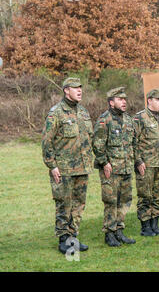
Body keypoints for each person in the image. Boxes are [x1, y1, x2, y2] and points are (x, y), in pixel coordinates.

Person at [42, 77, 93, 254]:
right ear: (66, 90)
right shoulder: (56, 113)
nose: (79, 90)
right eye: (75, 88)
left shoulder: (84, 112)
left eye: (80, 88)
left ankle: (73, 237)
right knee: (64, 203)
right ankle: (63, 239)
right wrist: (52, 165)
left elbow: (89, 138)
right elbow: (47, 141)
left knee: (79, 205)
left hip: (82, 167)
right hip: (63, 169)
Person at [93, 87, 136, 247]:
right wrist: (104, 162)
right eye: (120, 99)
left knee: (124, 201)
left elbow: (133, 143)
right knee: (111, 201)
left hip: (126, 168)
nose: (124, 102)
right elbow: (97, 144)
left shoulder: (128, 119)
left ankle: (119, 230)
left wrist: (134, 161)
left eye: (125, 99)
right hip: (111, 170)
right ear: (111, 103)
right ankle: (109, 233)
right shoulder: (105, 120)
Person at [133, 89, 159, 236]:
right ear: (149, 100)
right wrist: (138, 161)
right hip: (146, 164)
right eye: (158, 99)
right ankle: (145, 227)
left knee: (158, 195)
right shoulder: (140, 118)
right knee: (145, 196)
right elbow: (133, 141)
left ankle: (155, 225)